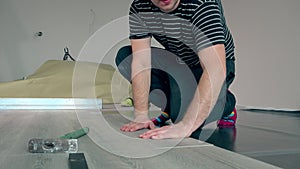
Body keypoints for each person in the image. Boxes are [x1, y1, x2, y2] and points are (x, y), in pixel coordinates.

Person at [115, 0, 237, 140]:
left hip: (215, 63)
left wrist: (187, 124)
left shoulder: (201, 4)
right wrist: (141, 115)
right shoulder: (140, 7)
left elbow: (214, 68)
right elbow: (141, 62)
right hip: (179, 62)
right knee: (126, 57)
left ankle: (227, 102)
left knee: (184, 117)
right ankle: (171, 105)